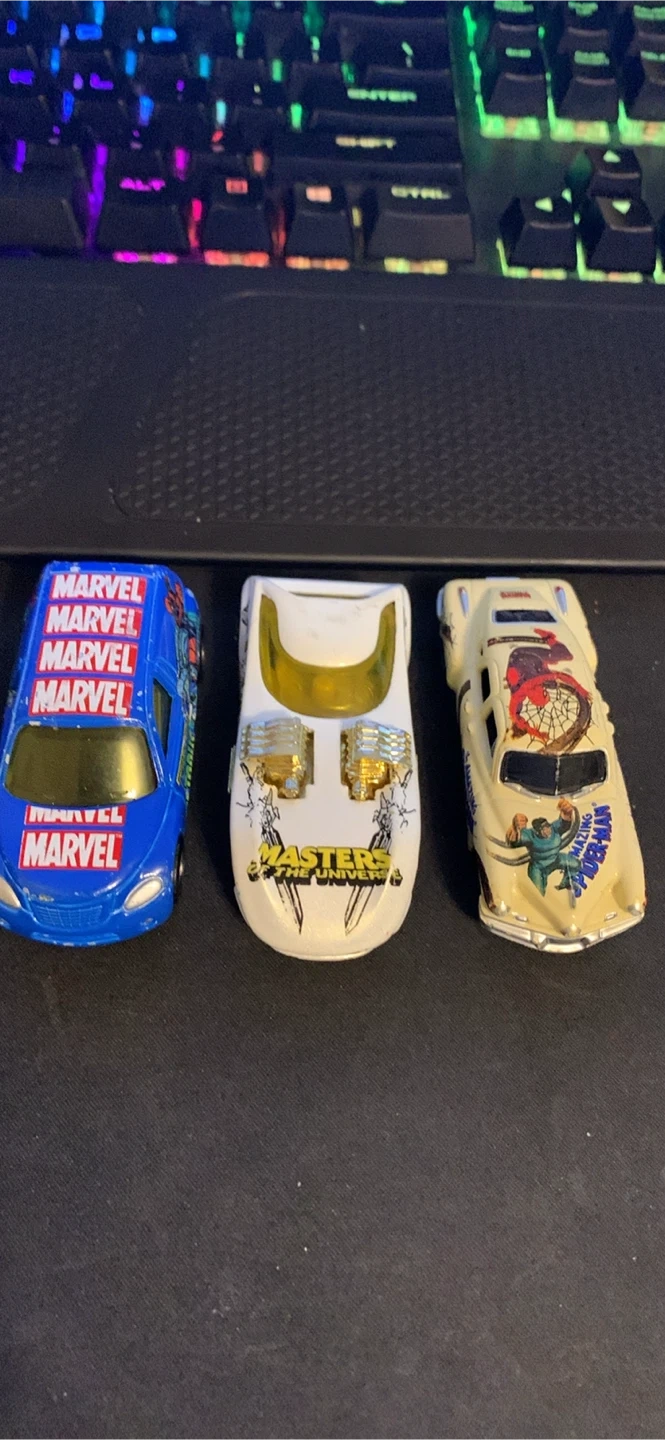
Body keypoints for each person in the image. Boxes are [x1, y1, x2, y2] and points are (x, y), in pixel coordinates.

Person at [505, 799, 581, 896]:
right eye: (543, 829)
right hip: (539, 868)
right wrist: (514, 829)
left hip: (555, 860)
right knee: (538, 894)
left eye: (547, 827)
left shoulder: (554, 829)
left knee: (575, 864)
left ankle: (566, 883)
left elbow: (564, 824)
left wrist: (566, 815)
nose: (547, 831)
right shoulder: (530, 835)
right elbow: (515, 841)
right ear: (537, 832)